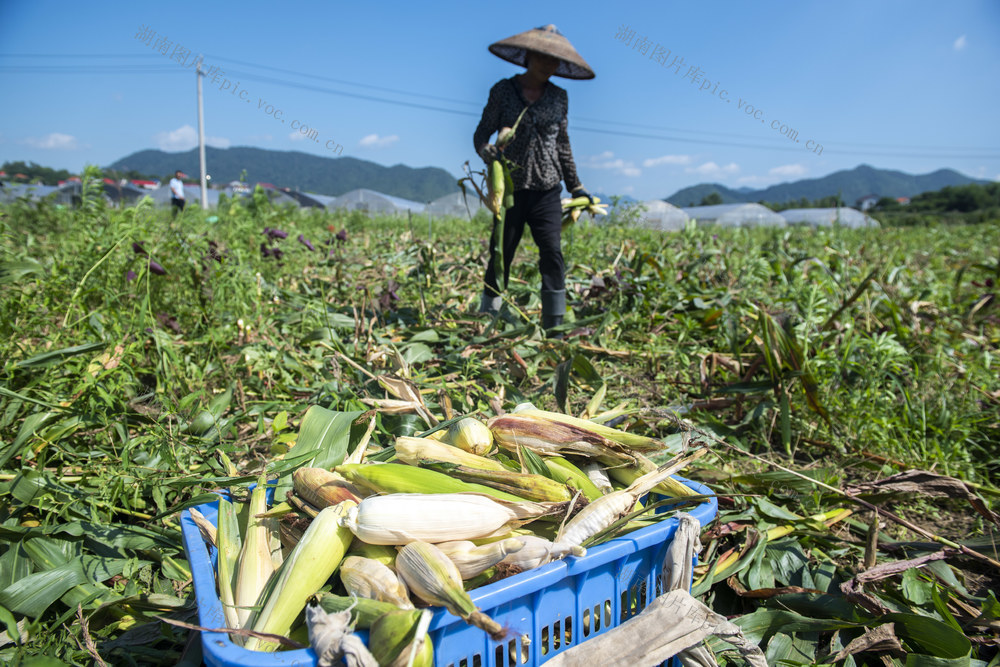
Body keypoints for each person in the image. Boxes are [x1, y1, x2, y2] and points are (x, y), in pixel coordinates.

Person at [473, 24, 595, 333]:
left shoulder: (559, 97)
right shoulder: (503, 91)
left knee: (552, 253)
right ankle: (488, 318)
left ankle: (554, 325)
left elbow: (563, 144)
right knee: (501, 251)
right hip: (511, 190)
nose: (549, 66)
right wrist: (488, 152)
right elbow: (480, 135)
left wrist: (576, 185)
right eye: (544, 58)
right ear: (529, 56)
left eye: (555, 61)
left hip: (547, 189)